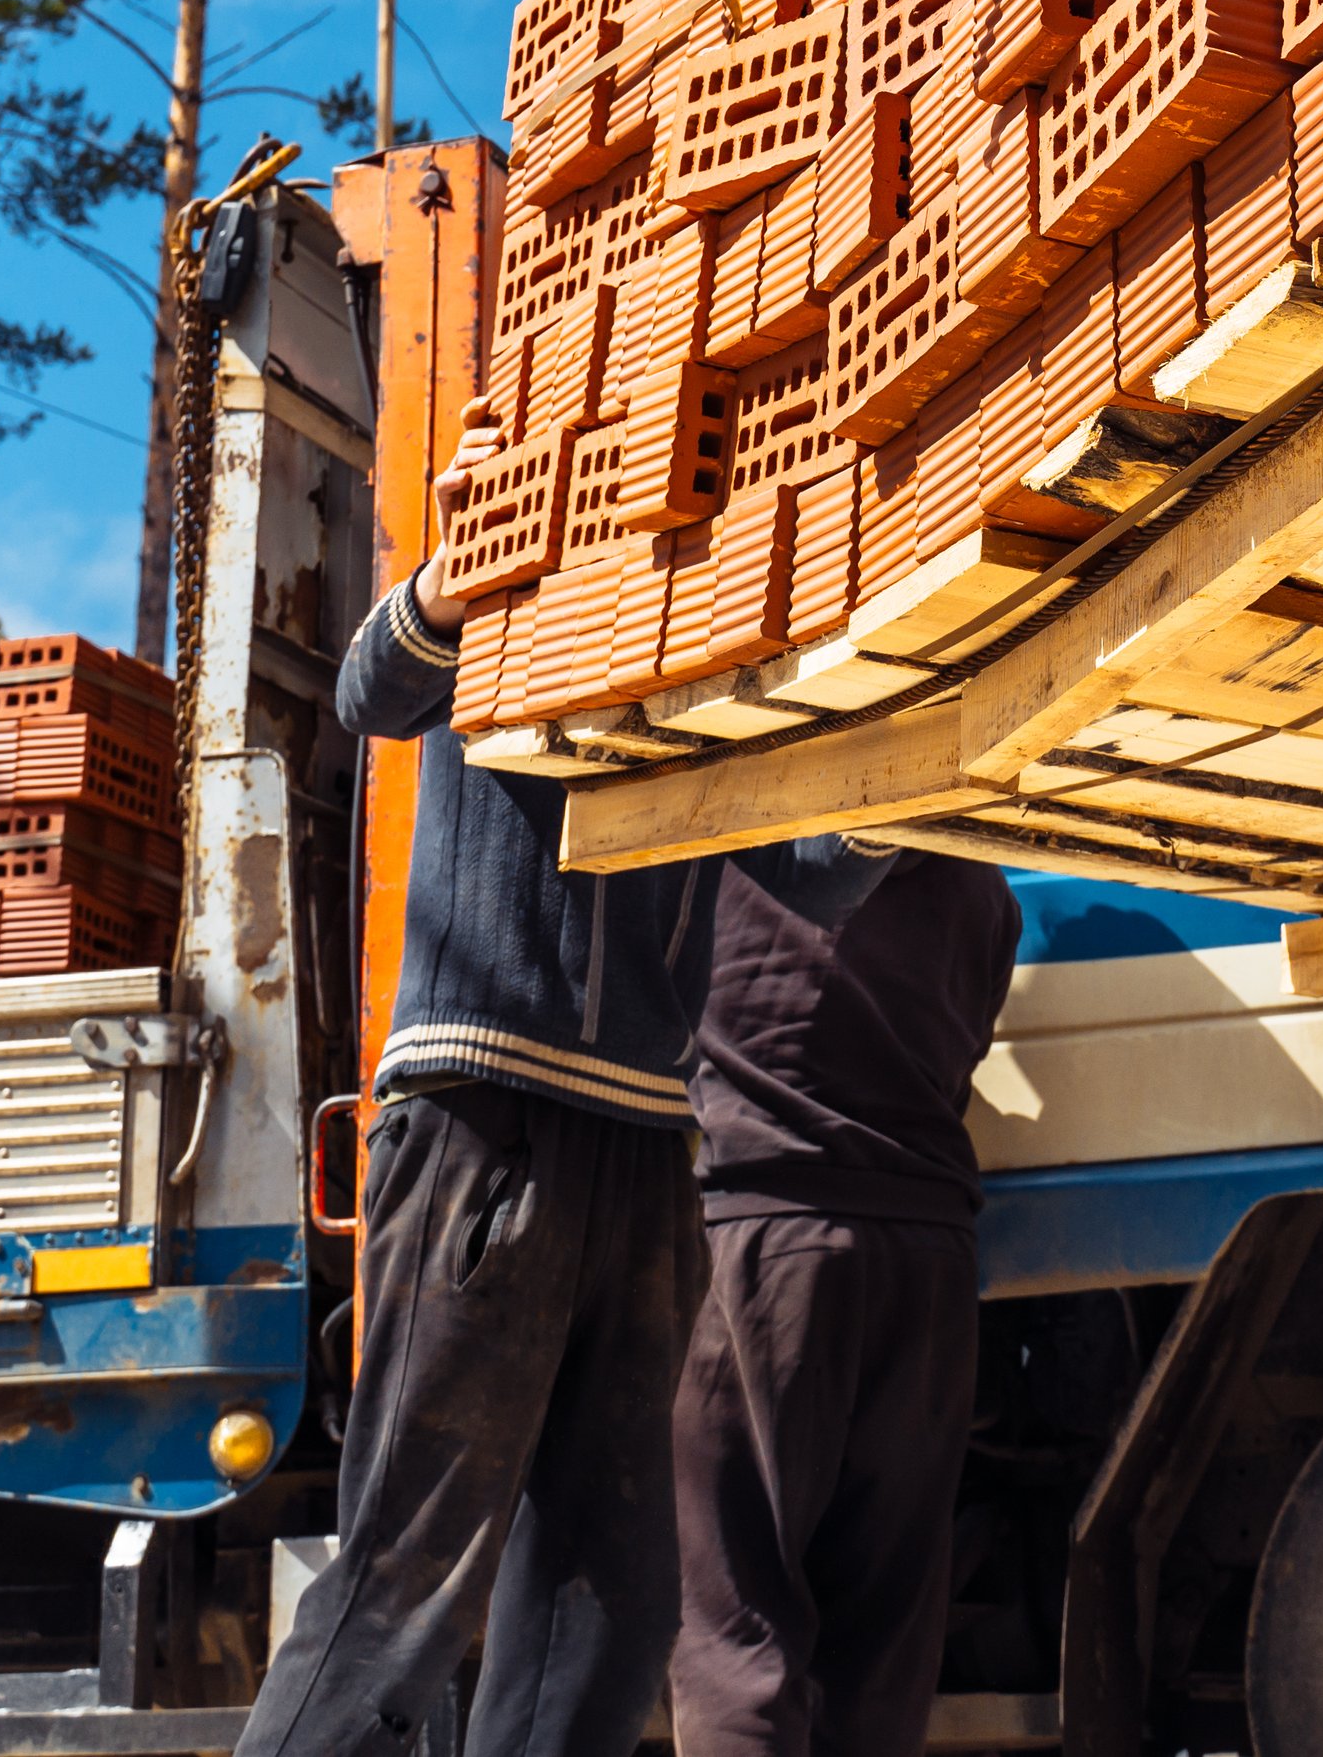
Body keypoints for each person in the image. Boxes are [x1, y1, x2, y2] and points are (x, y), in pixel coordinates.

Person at [239, 462, 887, 1757]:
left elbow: (813, 882)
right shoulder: (523, 576)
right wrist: (453, 570)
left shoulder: (721, 659)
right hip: (489, 1118)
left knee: (613, 1600)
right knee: (406, 1583)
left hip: (649, 1151)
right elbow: (374, 689)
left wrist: (909, 750)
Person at [668, 847, 1022, 1757]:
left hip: (763, 1238)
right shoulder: (981, 882)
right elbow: (971, 1040)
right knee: (882, 1652)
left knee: (734, 1630)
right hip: (928, 1259)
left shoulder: (732, 845)